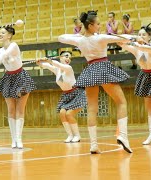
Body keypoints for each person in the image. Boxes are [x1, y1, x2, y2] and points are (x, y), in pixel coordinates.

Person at [58, 10, 139, 154]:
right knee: (121, 102)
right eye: (98, 24)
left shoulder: (81, 40)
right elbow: (124, 37)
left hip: (90, 69)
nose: (100, 26)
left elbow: (61, 37)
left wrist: (78, 35)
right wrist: (135, 38)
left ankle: (94, 145)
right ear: (90, 25)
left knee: (92, 108)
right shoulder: (100, 38)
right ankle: (123, 136)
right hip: (103, 67)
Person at [0, 26, 36, 149]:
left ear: (9, 35)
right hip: (8, 78)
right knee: (11, 110)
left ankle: (19, 139)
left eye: (3, 33)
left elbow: (4, 55)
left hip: (21, 77)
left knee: (20, 110)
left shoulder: (14, 45)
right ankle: (13, 139)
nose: (0, 35)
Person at [118, 25, 151, 145]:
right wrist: (128, 39)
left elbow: (144, 48)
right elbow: (121, 44)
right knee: (149, 108)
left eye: (144, 35)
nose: (141, 36)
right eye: (140, 34)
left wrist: (137, 43)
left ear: (149, 37)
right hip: (145, 76)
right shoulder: (136, 48)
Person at [37, 51, 86, 143]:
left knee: (69, 114)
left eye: (70, 57)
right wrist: (39, 62)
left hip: (76, 93)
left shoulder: (68, 68)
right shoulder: (57, 70)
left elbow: (56, 64)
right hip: (66, 95)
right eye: (66, 56)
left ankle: (77, 136)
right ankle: (70, 135)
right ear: (60, 57)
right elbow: (46, 66)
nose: (68, 59)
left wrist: (49, 60)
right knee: (62, 113)